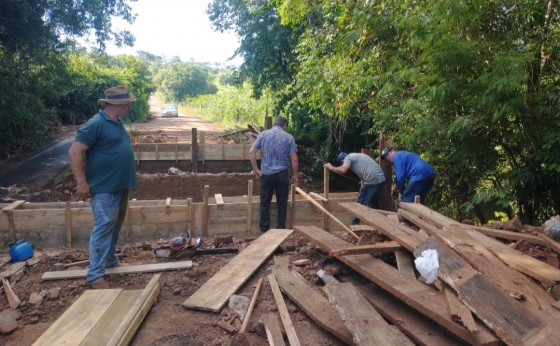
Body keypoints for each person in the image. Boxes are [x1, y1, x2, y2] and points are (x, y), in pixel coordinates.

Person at [68, 85, 137, 289]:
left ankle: (109, 260)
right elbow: (74, 152)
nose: (130, 106)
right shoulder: (96, 123)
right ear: (119, 104)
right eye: (128, 103)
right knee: (103, 228)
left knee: (114, 226)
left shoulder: (117, 122)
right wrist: (81, 182)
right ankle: (96, 276)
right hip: (105, 188)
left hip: (119, 185)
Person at [249, 116, 299, 233]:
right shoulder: (289, 137)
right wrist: (295, 175)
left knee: (264, 203)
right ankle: (280, 229)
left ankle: (264, 230)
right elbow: (294, 158)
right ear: (284, 125)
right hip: (282, 175)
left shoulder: (263, 135)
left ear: (274, 124)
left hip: (266, 175)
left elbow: (252, 152)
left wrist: (256, 169)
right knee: (282, 203)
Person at [324, 152, 386, 225]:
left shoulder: (348, 158)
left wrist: (330, 167)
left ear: (342, 161)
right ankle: (379, 223)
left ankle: (354, 225)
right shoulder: (355, 156)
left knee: (360, 203)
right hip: (381, 179)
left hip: (372, 180)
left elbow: (343, 170)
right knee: (373, 200)